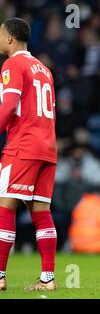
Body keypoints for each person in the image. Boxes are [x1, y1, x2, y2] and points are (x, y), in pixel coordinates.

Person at [0, 18, 58, 291]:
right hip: (47, 147)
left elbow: (10, 105)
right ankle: (48, 278)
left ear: (10, 38)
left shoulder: (13, 64)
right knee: (41, 211)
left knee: (5, 206)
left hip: (23, 146)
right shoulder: (44, 69)